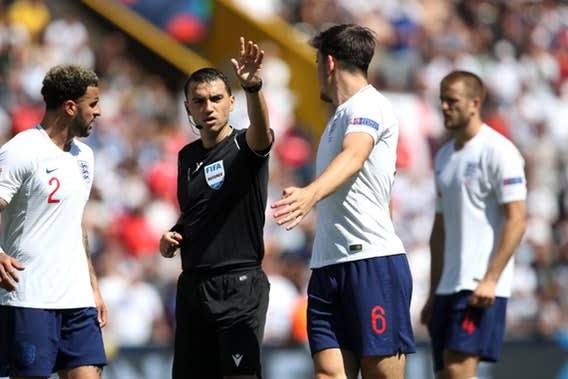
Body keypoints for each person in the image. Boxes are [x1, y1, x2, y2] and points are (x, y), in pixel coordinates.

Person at [271, 24, 416, 378]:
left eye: (317, 62)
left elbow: (354, 156)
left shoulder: (370, 105)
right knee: (328, 374)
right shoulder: (339, 116)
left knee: (380, 374)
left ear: (329, 63)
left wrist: (309, 193)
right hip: (327, 266)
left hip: (370, 262)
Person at [0, 64, 108, 379]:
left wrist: (93, 288)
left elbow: (75, 224)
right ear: (71, 107)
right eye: (93, 104)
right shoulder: (21, 151)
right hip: (29, 297)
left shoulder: (85, 156)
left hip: (77, 299)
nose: (99, 112)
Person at [159, 36, 274, 379]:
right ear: (188, 108)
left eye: (216, 99)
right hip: (194, 285)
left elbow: (262, 133)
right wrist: (173, 235)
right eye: (199, 101)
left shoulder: (245, 145)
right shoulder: (187, 156)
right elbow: (197, 211)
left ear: (231, 102)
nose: (208, 107)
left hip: (239, 283)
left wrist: (254, 87)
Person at [419, 70, 527, 379]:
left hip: (479, 283)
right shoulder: (443, 157)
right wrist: (432, 292)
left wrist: (491, 278)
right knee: (444, 374)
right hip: (448, 286)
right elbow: (439, 230)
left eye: (451, 101)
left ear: (474, 103)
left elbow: (517, 219)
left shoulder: (498, 151)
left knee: (457, 371)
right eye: (441, 100)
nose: (444, 107)